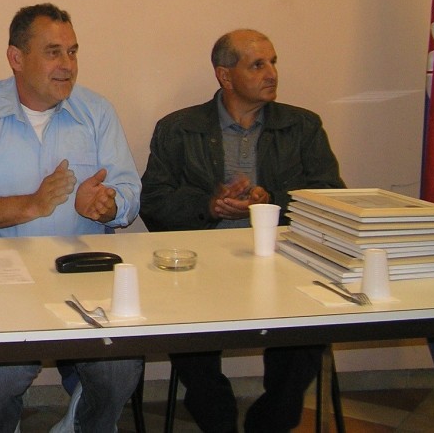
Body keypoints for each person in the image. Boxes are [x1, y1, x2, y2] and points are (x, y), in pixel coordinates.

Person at [0, 2, 144, 433]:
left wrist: (107, 205)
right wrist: (31, 204)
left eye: (72, 52)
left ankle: (77, 427)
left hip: (83, 271)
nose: (67, 65)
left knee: (120, 368)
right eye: (53, 52)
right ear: (16, 58)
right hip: (1, 276)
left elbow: (128, 190)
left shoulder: (97, 112)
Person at [140, 29, 345, 433]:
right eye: (258, 65)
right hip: (201, 267)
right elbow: (154, 203)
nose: (272, 73)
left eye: (273, 62)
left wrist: (272, 201)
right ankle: (218, 418)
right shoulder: (178, 128)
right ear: (225, 75)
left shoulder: (302, 126)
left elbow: (330, 198)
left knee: (308, 332)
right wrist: (209, 205)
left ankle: (270, 421)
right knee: (185, 332)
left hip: (284, 263)